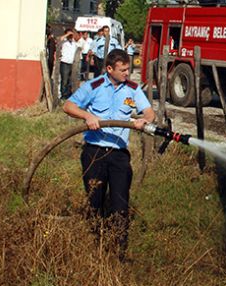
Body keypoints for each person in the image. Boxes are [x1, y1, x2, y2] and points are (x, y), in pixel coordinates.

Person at [63, 49, 156, 260]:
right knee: (95, 202)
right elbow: (68, 106)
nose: (127, 73)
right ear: (109, 69)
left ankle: (119, 251)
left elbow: (149, 112)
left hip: (119, 155)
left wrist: (144, 120)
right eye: (123, 70)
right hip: (94, 153)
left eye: (128, 69)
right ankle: (95, 248)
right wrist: (87, 115)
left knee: (120, 204)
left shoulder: (132, 89)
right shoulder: (94, 86)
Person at [59, 28, 80, 99]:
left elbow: (79, 40)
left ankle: (68, 94)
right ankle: (63, 95)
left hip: (72, 63)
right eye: (69, 35)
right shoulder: (64, 42)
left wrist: (73, 34)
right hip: (65, 63)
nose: (70, 36)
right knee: (64, 80)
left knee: (70, 80)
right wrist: (67, 34)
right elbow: (59, 39)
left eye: (71, 35)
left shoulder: (74, 43)